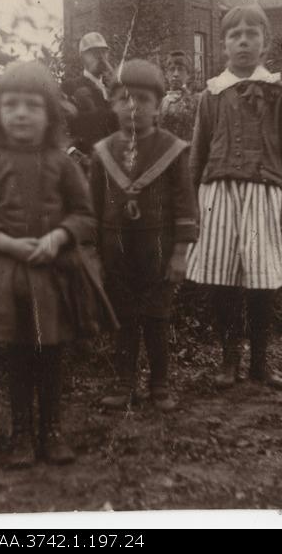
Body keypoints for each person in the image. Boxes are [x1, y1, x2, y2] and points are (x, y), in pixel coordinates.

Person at [0, 61, 118, 468]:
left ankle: (52, 430)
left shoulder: (62, 163)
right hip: (7, 275)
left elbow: (84, 215)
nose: (21, 113)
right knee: (18, 356)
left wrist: (57, 237)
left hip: (54, 274)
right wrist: (8, 242)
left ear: (49, 114)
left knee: (50, 354)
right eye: (11, 105)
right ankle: (21, 432)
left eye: (32, 105)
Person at [185, 4, 282, 390]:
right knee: (220, 278)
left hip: (264, 195)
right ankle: (227, 361)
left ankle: (260, 363)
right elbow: (198, 151)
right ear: (223, 45)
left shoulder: (277, 91)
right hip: (217, 194)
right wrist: (191, 203)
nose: (242, 41)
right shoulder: (211, 94)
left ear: (264, 43)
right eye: (234, 35)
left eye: (251, 34)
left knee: (261, 281)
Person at [89, 59, 198, 412]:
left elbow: (185, 205)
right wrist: (92, 254)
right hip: (115, 250)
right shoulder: (102, 152)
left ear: (157, 105)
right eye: (123, 98)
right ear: (112, 103)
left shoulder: (172, 149)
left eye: (142, 99)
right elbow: (91, 207)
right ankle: (123, 382)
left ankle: (160, 383)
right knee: (123, 318)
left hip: (159, 250)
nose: (132, 106)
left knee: (156, 317)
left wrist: (180, 253)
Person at [62, 32, 119, 173]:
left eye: (103, 52)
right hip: (84, 169)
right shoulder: (70, 86)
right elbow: (61, 132)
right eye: (93, 53)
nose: (100, 57)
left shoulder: (114, 89)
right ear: (82, 57)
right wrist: (78, 158)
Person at [159, 50, 200, 141]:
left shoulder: (196, 102)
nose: (175, 74)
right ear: (166, 74)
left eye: (180, 69)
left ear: (188, 74)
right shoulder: (160, 103)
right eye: (172, 69)